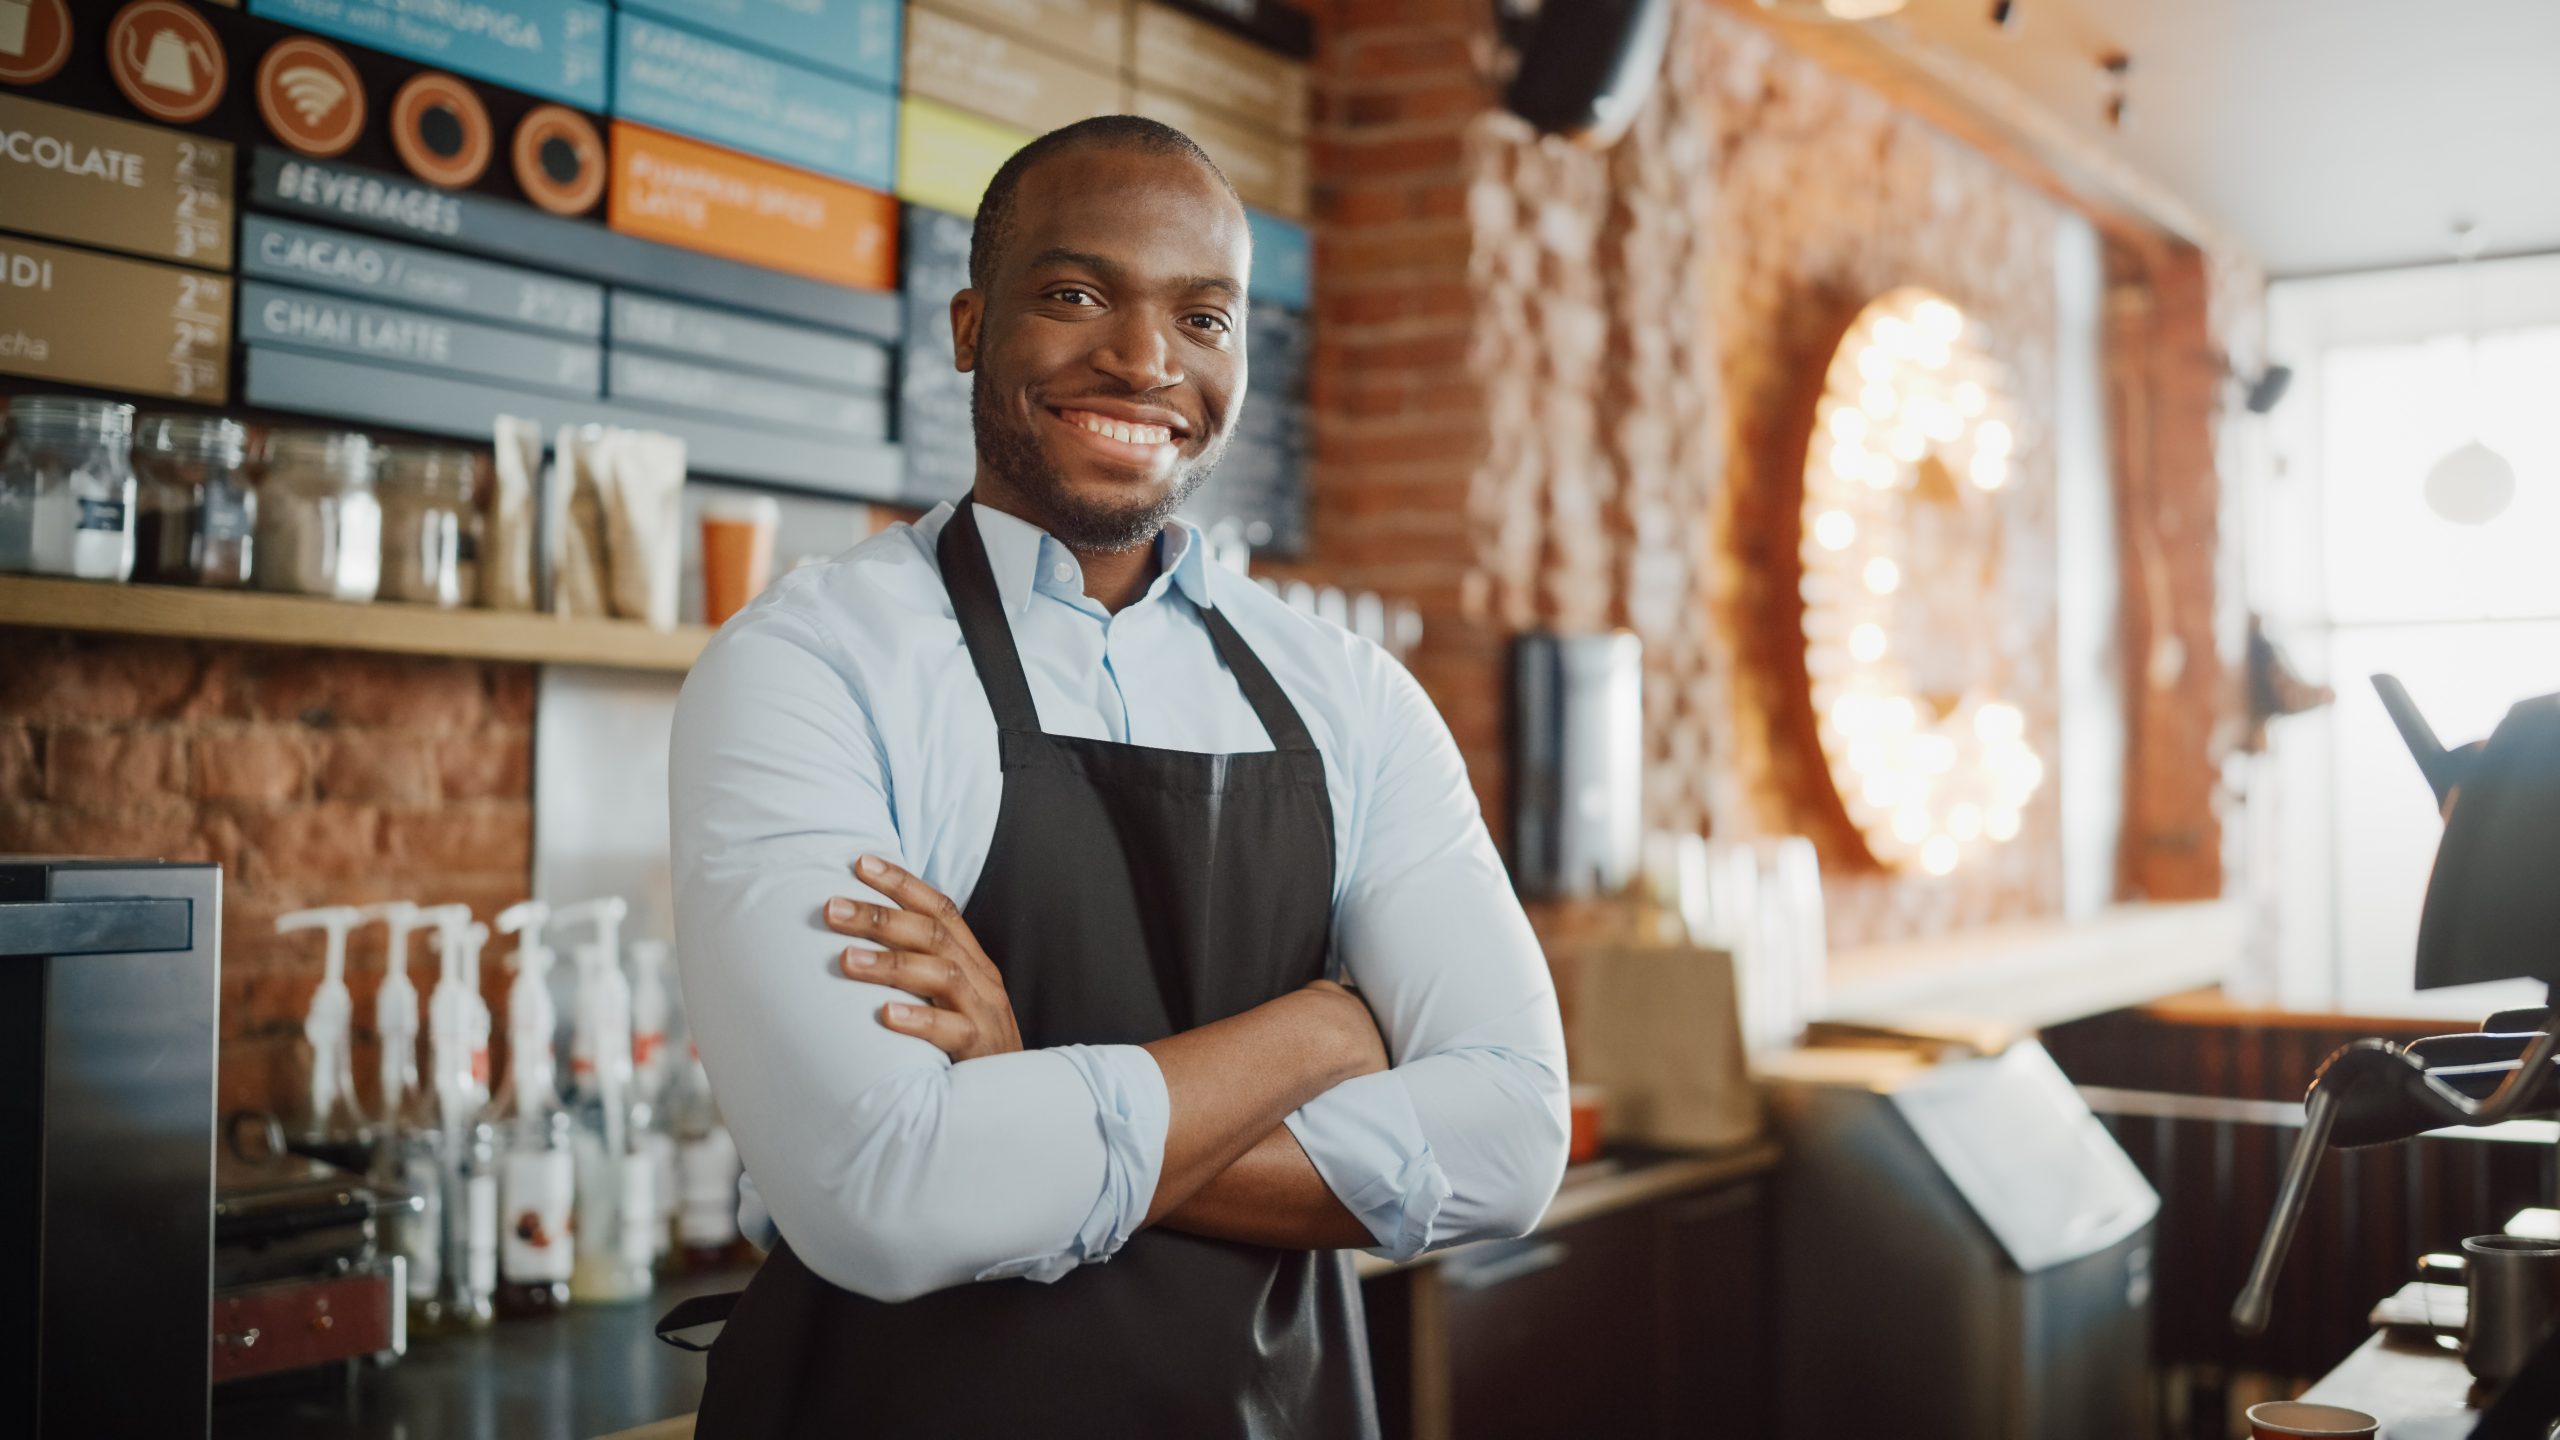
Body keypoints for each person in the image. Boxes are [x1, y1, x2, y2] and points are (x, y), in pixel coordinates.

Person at [666, 116, 1569, 1437]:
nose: (1146, 361)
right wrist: (1318, 1035)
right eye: (1078, 294)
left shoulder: (1352, 695)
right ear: (971, 325)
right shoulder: (809, 664)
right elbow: (886, 1189)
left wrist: (1030, 1079)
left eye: (1203, 319)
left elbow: (1508, 1141)